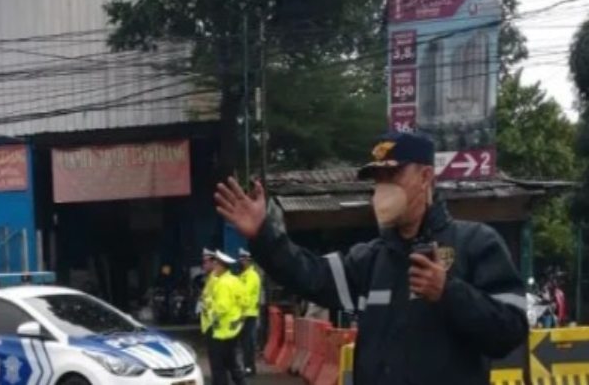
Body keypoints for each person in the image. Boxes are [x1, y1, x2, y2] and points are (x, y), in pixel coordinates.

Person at [215, 131, 528, 385]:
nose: (382, 188)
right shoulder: (373, 258)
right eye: (377, 179)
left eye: (392, 175)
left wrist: (448, 292)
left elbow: (510, 331)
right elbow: (311, 274)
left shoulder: (476, 243)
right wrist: (263, 235)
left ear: (425, 177)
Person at [207, 250, 246, 385]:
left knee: (219, 368)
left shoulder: (222, 283)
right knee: (232, 364)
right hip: (233, 329)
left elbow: (222, 307)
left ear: (222, 267)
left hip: (221, 332)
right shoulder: (235, 280)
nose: (214, 267)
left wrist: (211, 312)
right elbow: (244, 302)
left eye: (216, 265)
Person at [237, 248, 262, 376]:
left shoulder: (252, 276)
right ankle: (247, 366)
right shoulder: (243, 275)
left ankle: (249, 368)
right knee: (244, 342)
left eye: (243, 259)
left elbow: (244, 293)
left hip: (249, 313)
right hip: (243, 313)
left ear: (248, 260)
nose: (241, 262)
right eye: (240, 259)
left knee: (248, 343)